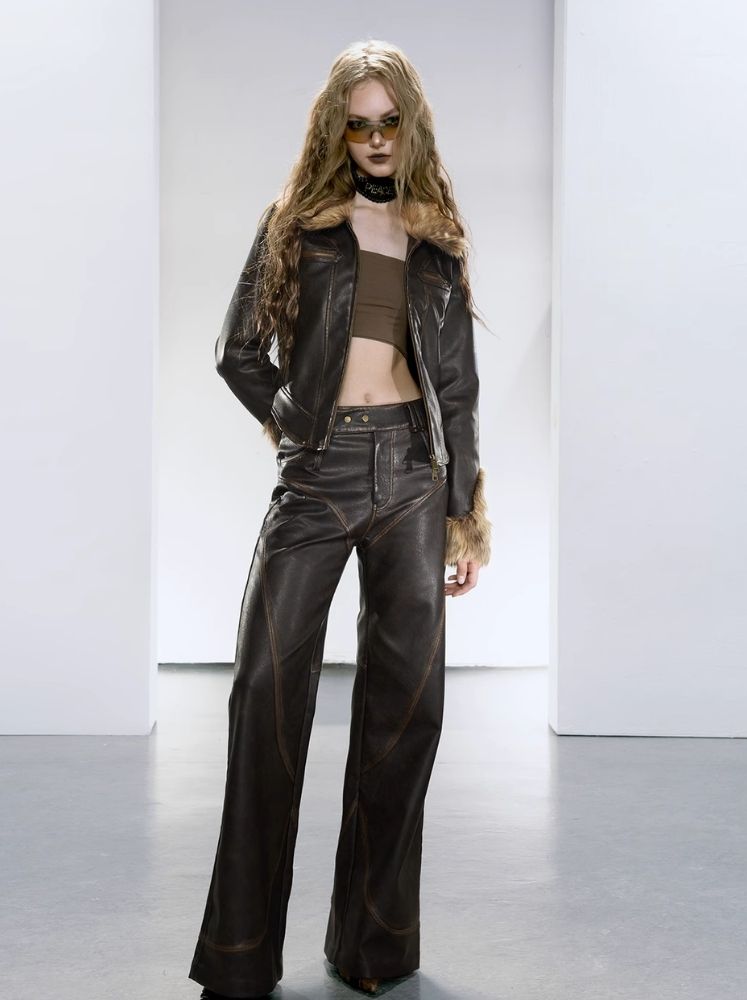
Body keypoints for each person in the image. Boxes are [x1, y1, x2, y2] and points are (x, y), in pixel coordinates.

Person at [188, 38, 492, 1000]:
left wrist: (462, 512)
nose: (375, 139)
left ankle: (373, 949)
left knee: (406, 715)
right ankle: (240, 958)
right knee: (265, 698)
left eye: (389, 122)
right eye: (358, 125)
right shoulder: (295, 224)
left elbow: (457, 388)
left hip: (411, 478)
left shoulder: (436, 236)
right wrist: (296, 424)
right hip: (317, 479)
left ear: (412, 126)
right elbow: (239, 352)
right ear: (336, 130)